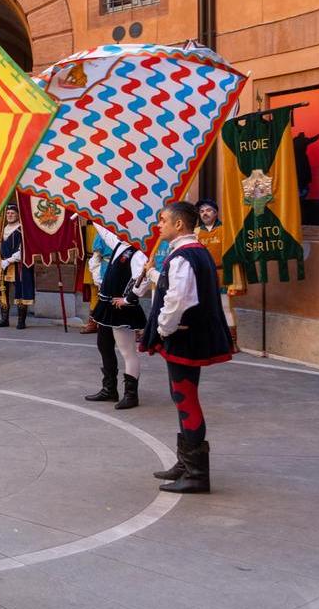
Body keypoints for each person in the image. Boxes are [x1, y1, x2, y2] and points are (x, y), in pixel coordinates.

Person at [139, 202, 233, 494]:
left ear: (179, 225)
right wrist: (153, 274)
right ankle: (186, 462)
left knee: (185, 397)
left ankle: (196, 473)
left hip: (184, 337)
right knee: (181, 395)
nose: (159, 225)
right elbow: (174, 284)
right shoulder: (192, 252)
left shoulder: (183, 256)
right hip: (189, 336)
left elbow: (179, 299)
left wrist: (164, 329)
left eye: (163, 220)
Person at [83, 225, 148, 410]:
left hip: (121, 307)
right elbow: (104, 231)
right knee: (103, 345)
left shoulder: (137, 252)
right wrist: (89, 211)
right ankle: (109, 389)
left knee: (127, 352)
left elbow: (142, 278)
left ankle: (131, 395)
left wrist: (128, 299)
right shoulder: (120, 243)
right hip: (107, 305)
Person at [195, 199, 241, 353]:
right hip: (203, 276)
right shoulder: (196, 233)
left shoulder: (226, 230)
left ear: (216, 212)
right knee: (203, 309)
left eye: (208, 210)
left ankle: (232, 342)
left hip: (222, 274)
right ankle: (207, 341)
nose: (204, 214)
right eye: (201, 211)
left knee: (226, 308)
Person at [0, 204, 35, 329]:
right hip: (3, 264)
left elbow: (23, 250)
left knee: (21, 292)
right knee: (3, 291)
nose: (9, 215)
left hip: (18, 265)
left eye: (12, 213)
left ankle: (21, 321)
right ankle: (4, 319)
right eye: (8, 213)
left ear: (17, 215)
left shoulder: (22, 229)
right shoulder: (2, 229)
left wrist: (9, 260)